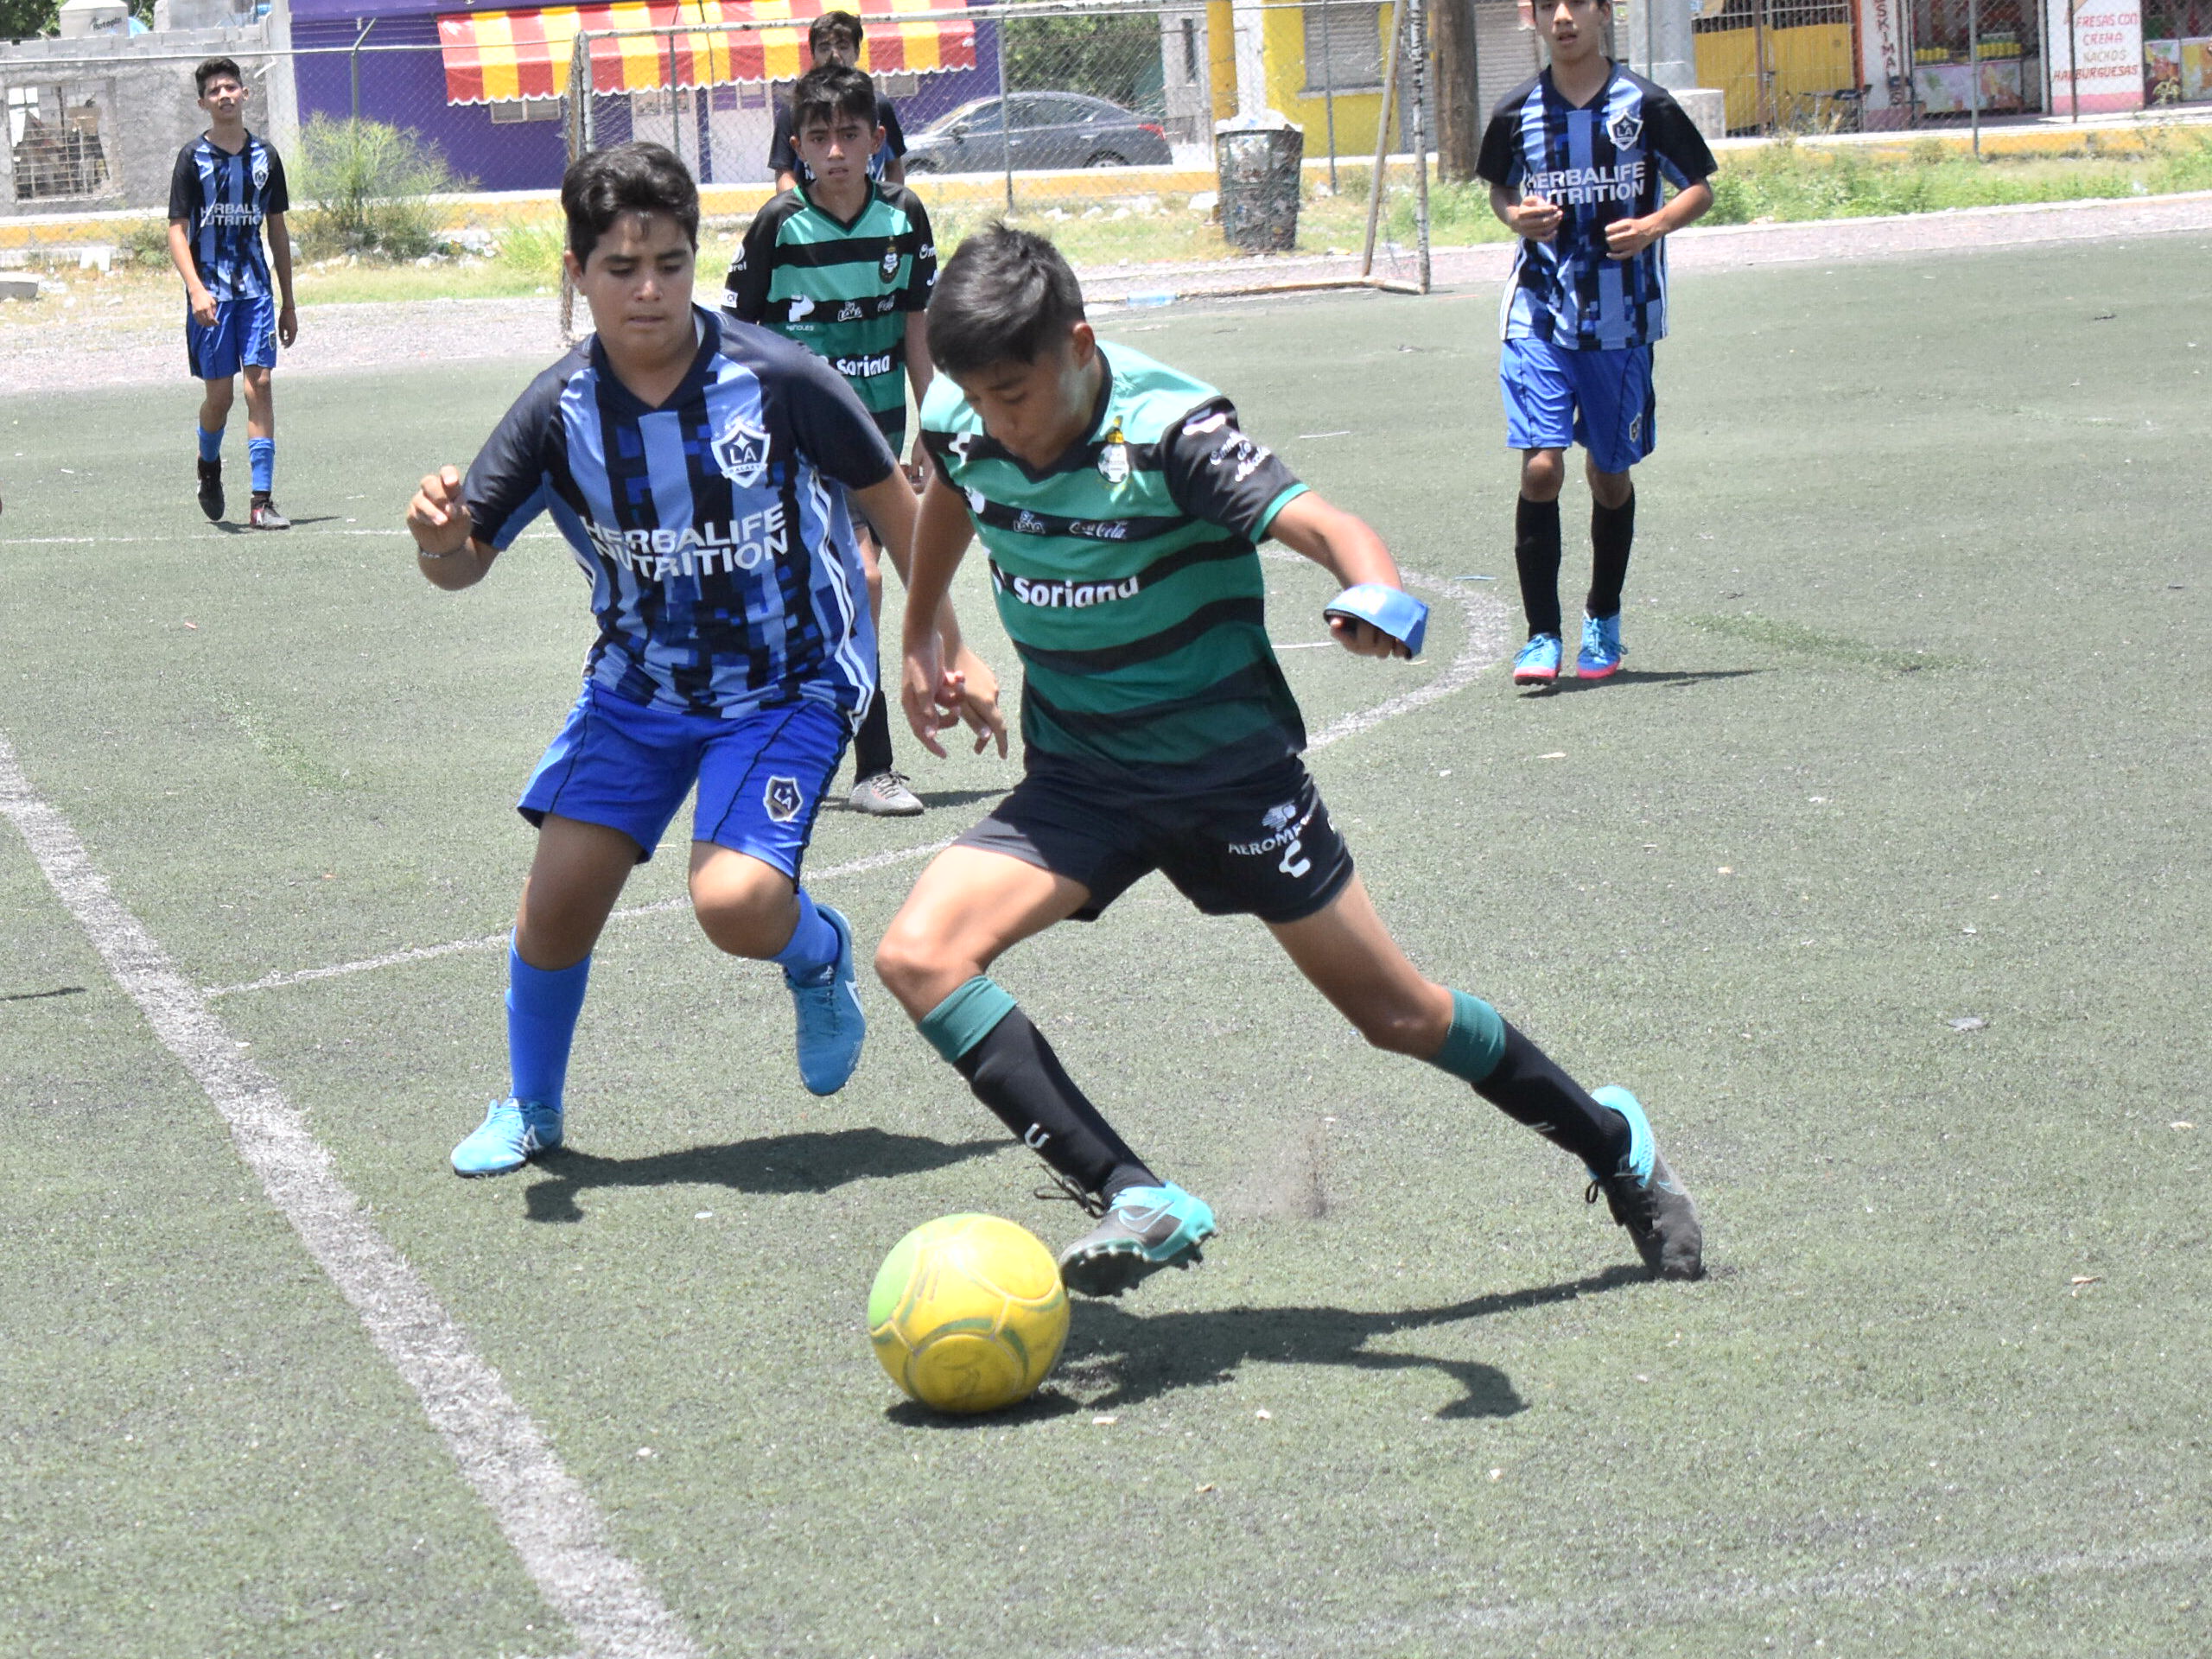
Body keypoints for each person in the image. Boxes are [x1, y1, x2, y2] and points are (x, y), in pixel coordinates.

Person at [871, 226, 1703, 1295]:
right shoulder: (967, 412)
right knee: (918, 955)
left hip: (1231, 779)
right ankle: (1135, 1195)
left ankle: (1612, 1142)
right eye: (976, 398)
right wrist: (925, 627)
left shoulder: (1175, 434)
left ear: (1078, 344)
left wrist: (1376, 594)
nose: (997, 421)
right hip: (1082, 779)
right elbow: (954, 488)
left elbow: (1323, 522)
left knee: (1397, 1014)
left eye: (1015, 395)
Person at [404, 142, 1000, 1179]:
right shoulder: (558, 413)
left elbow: (899, 516)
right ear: (576, 271)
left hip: (788, 684)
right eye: (622, 268)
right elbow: (462, 571)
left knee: (733, 905)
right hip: (638, 689)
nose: (648, 290)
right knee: (554, 907)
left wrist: (944, 646)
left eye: (671, 265)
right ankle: (533, 1110)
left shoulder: (776, 381)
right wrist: (436, 539)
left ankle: (817, 957)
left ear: (695, 262)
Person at [1475, 0, 1715, 688]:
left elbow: (1698, 187)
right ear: (1531, 16)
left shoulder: (1645, 103)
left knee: (1609, 477)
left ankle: (1602, 615)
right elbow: (1500, 191)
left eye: (1577, 2)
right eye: (1547, 5)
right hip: (1539, 313)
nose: (1563, 17)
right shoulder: (1516, 110)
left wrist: (1655, 224)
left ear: (1604, 11)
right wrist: (1517, 216)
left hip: (1621, 322)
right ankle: (1540, 635)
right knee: (1541, 469)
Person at [726, 64, 938, 819]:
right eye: (820, 137)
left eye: (851, 134)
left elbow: (916, 331)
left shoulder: (904, 217)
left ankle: (840, 756)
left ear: (878, 140)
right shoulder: (779, 225)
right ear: (798, 145)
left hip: (880, 445)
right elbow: (735, 340)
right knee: (863, 586)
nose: (837, 150)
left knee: (859, 593)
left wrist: (933, 427)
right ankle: (872, 766)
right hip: (796, 450)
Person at [167, 56, 297, 531]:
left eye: (231, 87)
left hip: (257, 293)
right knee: (219, 399)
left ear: (245, 94)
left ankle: (261, 501)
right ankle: (208, 465)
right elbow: (177, 231)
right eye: (215, 90)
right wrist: (196, 290)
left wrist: (289, 302)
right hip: (211, 298)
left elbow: (277, 232)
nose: (225, 95)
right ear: (203, 103)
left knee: (259, 386)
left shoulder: (267, 156)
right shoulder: (191, 158)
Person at [766, 11, 906, 194]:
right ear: (813, 54)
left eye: (843, 47)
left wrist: (887, 209)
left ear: (856, 52)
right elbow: (785, 174)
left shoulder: (878, 104)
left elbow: (894, 166)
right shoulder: (795, 107)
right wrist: (800, 215)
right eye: (824, 48)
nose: (835, 55)